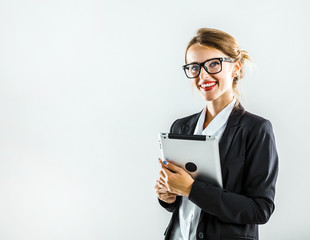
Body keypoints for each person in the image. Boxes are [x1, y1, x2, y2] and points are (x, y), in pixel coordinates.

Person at [154, 28, 279, 240]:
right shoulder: (180, 127)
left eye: (213, 64)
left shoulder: (256, 129)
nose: (203, 75)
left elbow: (260, 209)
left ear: (236, 68)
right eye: (194, 67)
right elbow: (181, 205)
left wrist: (192, 189)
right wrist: (167, 196)